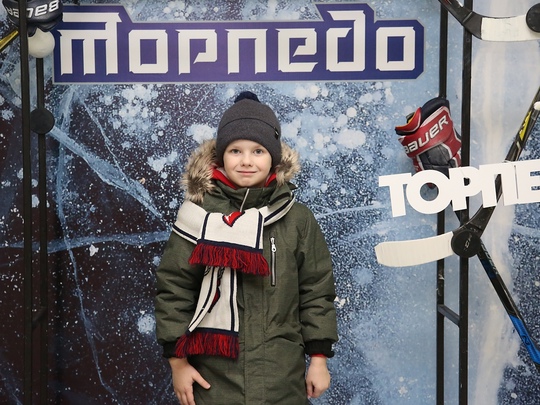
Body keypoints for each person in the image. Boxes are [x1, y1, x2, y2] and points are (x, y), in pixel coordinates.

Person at [155, 91, 339, 405]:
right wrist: (178, 363)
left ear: (274, 157)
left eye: (258, 151)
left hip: (281, 376)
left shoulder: (297, 219)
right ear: (221, 156)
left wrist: (319, 359)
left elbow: (316, 290)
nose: (246, 161)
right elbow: (174, 288)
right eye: (235, 150)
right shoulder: (198, 216)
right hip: (215, 377)